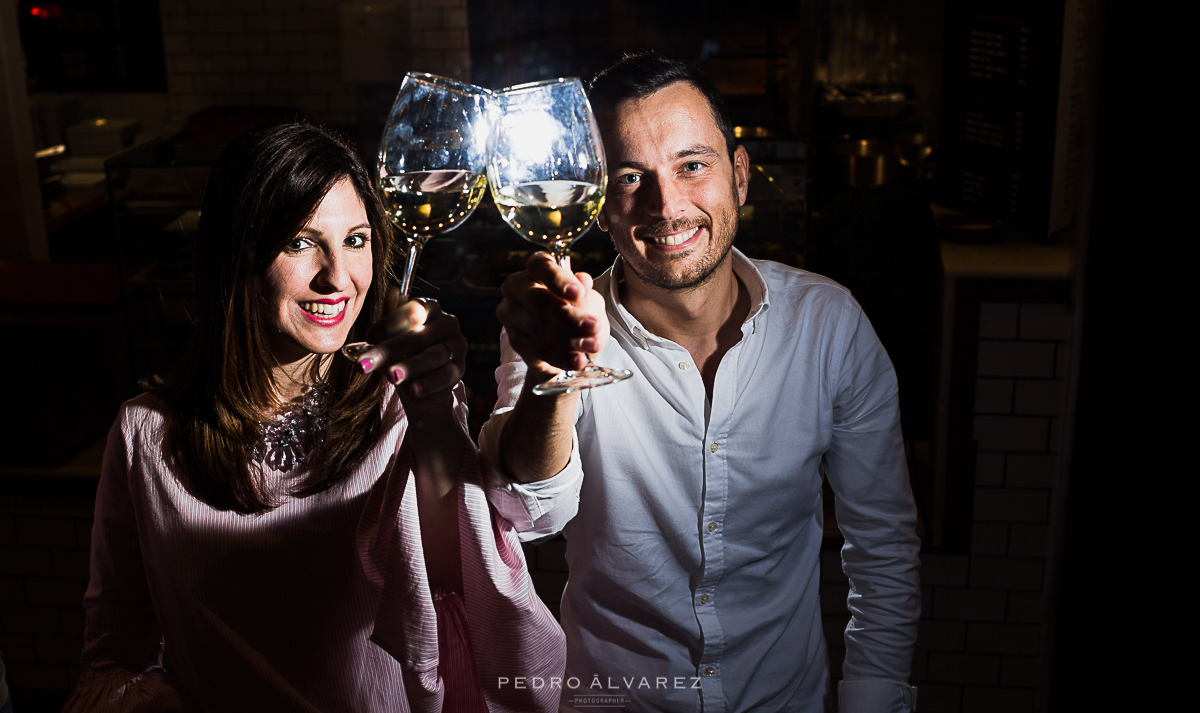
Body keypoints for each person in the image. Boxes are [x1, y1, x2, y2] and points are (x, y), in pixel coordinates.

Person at [65, 122, 564, 712]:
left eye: (355, 240)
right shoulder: (146, 435)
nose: (336, 277)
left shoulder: (397, 407)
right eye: (301, 242)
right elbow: (113, 651)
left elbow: (459, 589)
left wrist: (436, 412)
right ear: (239, 253)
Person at [480, 52, 921, 712]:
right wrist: (553, 377)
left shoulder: (829, 324)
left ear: (739, 176)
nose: (667, 205)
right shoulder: (554, 325)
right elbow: (528, 515)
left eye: (693, 165)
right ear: (600, 204)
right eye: (632, 178)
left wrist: (874, 704)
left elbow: (882, 544)